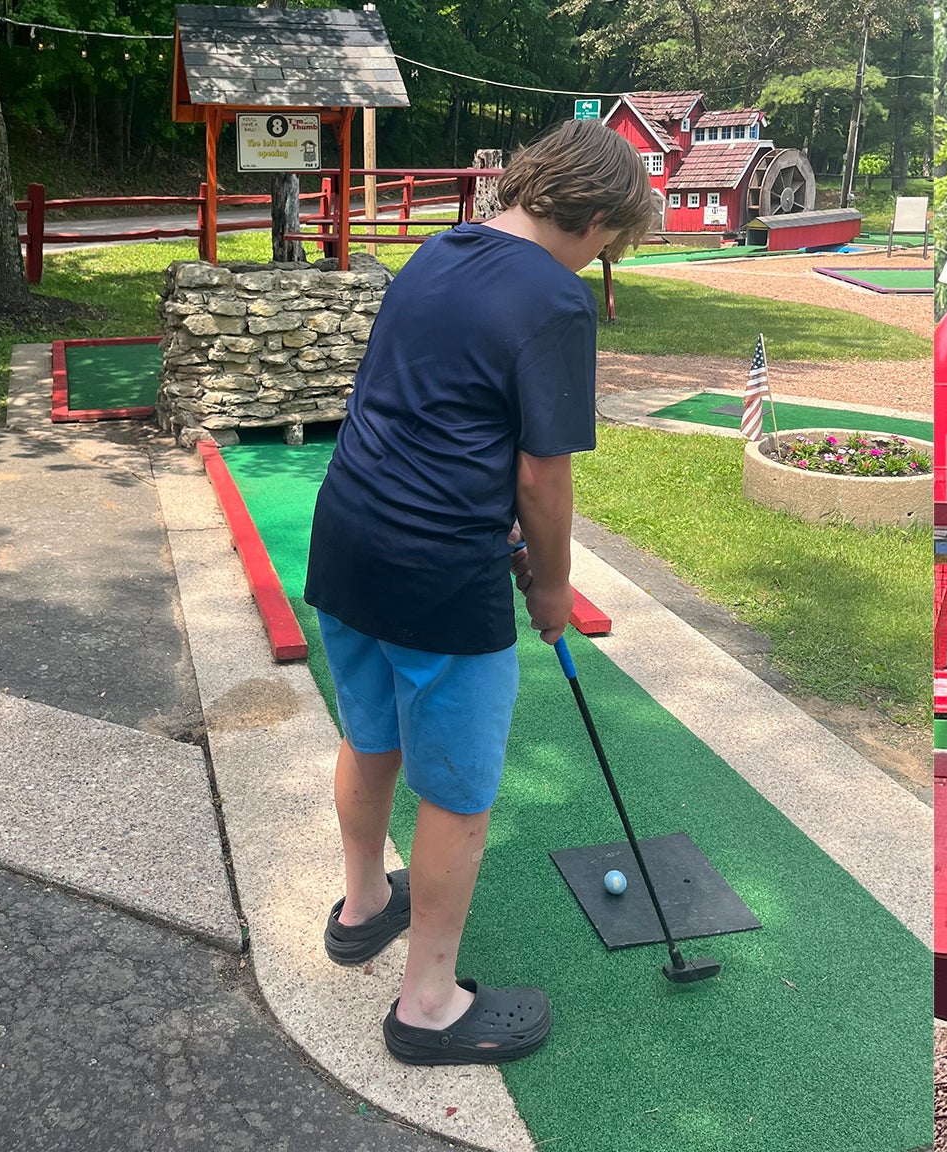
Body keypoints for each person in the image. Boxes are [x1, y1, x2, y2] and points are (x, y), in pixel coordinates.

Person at [303, 120, 661, 1065]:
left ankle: (363, 904)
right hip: (436, 573)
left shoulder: (435, 251)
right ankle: (428, 1007)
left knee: (368, 733)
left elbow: (434, 407)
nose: (600, 263)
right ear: (588, 215)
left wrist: (484, 506)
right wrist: (553, 586)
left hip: (346, 538)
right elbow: (543, 479)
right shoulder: (553, 299)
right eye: (608, 245)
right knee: (457, 797)